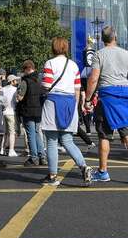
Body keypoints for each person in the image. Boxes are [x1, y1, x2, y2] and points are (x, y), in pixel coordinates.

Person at [84, 26, 128, 184]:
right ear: (115, 37)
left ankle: (103, 171)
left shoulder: (99, 54)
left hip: (107, 96)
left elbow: (93, 78)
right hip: (125, 94)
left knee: (104, 135)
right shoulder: (127, 54)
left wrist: (88, 99)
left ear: (102, 39)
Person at [39, 37, 93, 186]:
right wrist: (75, 107)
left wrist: (41, 85)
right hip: (70, 102)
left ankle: (52, 176)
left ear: (53, 48)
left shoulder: (50, 63)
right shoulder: (74, 65)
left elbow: (46, 85)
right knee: (68, 141)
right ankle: (84, 166)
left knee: (51, 141)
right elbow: (77, 89)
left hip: (53, 101)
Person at [16, 60, 47, 166]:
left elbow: (20, 97)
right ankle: (42, 156)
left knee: (31, 134)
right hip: (38, 110)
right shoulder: (40, 79)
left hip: (28, 110)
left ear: (26, 69)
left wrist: (17, 93)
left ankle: (34, 157)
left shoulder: (25, 81)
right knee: (38, 133)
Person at [1, 75, 20, 157]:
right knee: (12, 132)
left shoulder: (2, 89)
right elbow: (17, 101)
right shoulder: (16, 90)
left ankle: (1, 149)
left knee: (4, 133)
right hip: (12, 112)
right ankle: (11, 150)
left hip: (3, 112)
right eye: (15, 80)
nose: (17, 81)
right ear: (12, 81)